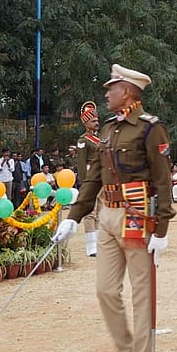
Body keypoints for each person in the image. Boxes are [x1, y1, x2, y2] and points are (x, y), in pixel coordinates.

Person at [52, 64, 174, 352]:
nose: (106, 93)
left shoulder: (151, 130)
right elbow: (94, 176)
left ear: (129, 92)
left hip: (137, 218)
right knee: (105, 290)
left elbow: (163, 181)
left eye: (112, 88)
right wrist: (74, 217)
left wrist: (162, 228)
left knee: (141, 295)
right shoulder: (107, 129)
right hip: (107, 213)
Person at [74, 101, 103, 258]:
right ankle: (91, 246)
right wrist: (85, 183)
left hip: (102, 178)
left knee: (101, 212)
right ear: (86, 123)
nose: (96, 122)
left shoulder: (101, 138)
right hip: (90, 177)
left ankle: (99, 243)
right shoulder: (83, 140)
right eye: (93, 120)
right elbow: (80, 163)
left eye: (97, 120)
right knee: (90, 213)